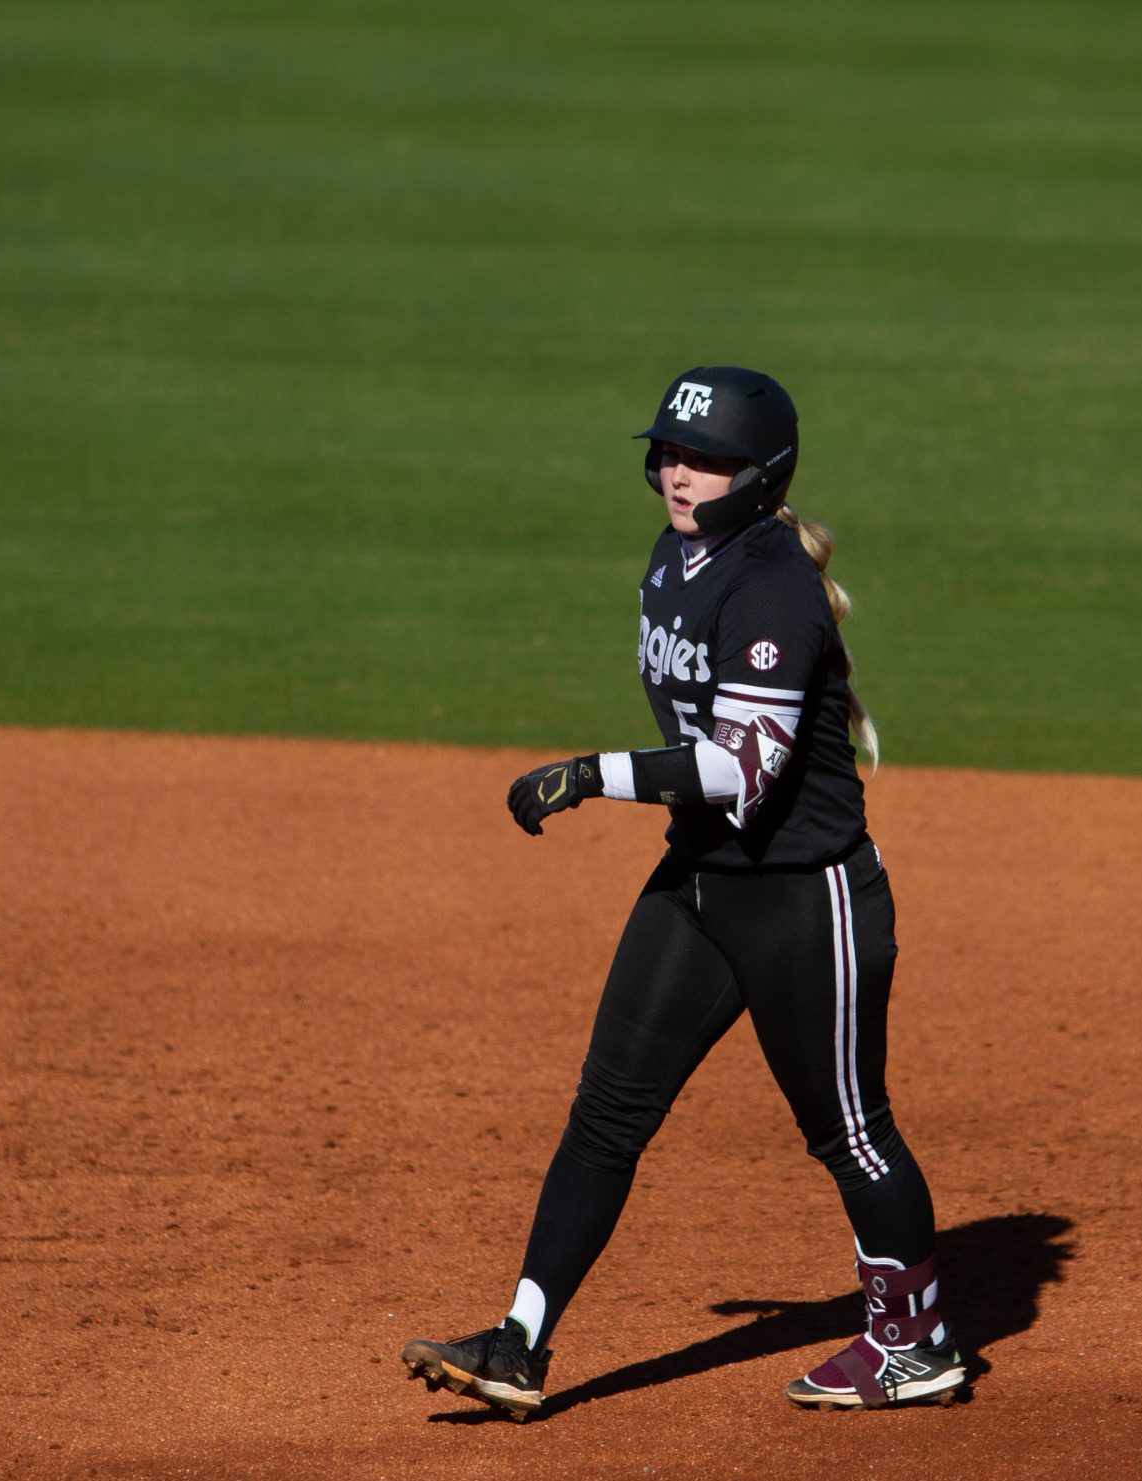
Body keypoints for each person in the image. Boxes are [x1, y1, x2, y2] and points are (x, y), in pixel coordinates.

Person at [400, 367, 967, 1418]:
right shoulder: (677, 558)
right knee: (606, 1111)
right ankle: (519, 1344)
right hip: (701, 886)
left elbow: (744, 766)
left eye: (703, 459)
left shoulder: (771, 588)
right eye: (665, 450)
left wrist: (592, 773)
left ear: (761, 476)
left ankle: (914, 1343)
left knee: (847, 1132)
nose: (675, 471)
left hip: (807, 901)